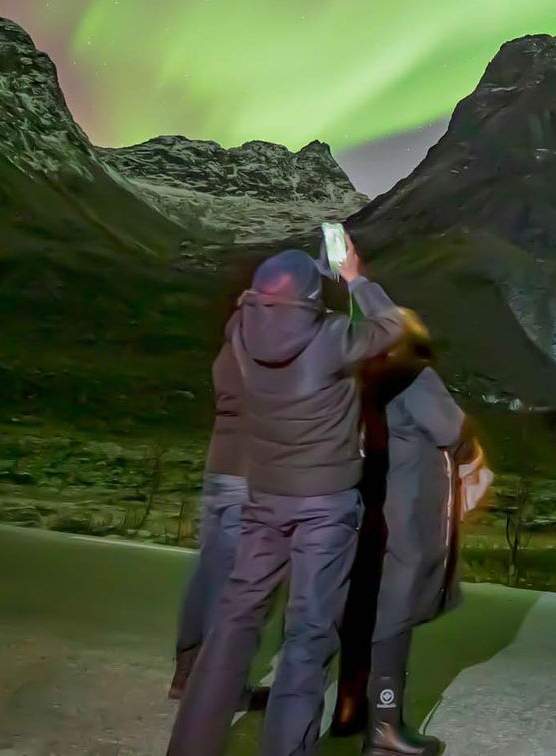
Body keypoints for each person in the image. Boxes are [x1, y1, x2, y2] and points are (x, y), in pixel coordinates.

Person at [166, 240, 404, 756]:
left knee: (233, 623)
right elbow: (394, 326)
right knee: (308, 635)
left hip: (264, 497)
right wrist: (356, 279)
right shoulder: (332, 337)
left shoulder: (240, 331)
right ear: (310, 301)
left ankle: (190, 745)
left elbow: (261, 309)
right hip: (325, 507)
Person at [332, 308, 483, 756]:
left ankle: (349, 709)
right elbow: (453, 431)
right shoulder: (415, 378)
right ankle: (384, 727)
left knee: (362, 607)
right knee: (394, 616)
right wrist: (474, 454)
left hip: (362, 505)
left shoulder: (355, 374)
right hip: (406, 511)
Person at [169, 329, 266, 712]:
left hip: (220, 469)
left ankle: (186, 673)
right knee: (239, 585)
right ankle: (220, 686)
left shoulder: (234, 339)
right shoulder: (273, 342)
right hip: (251, 475)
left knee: (208, 572)